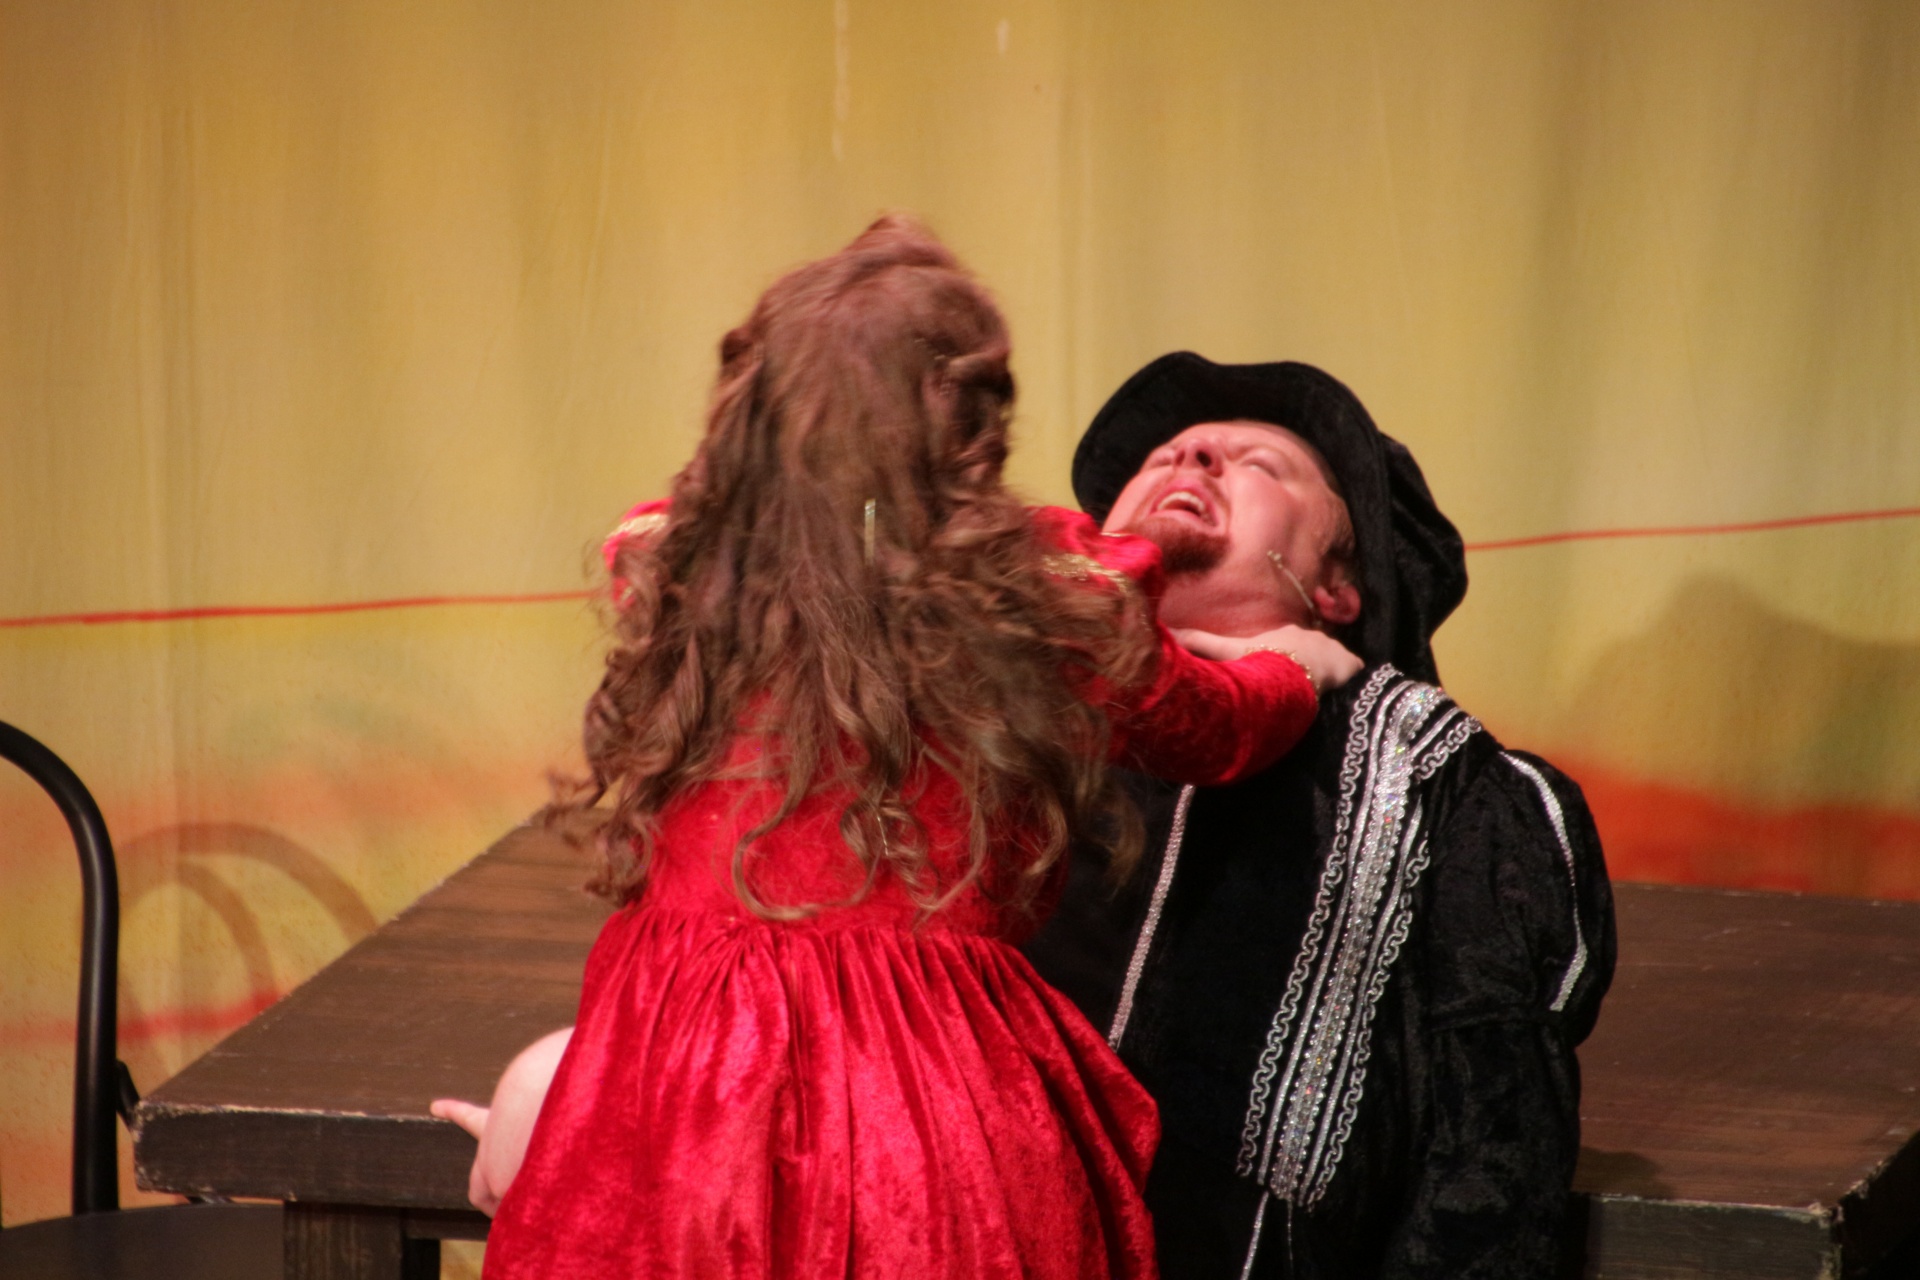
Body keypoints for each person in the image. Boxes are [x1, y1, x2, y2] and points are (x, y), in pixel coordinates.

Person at [438, 223, 1363, 1279]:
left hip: (687, 1084)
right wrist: (1291, 670)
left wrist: (577, 1115)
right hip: (922, 1105)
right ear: (969, 422)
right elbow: (1216, 727)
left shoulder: (680, 563)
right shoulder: (1039, 594)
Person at [1021, 353, 1615, 1279]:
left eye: (1259, 464)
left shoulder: (1444, 781)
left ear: (1336, 587)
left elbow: (1490, 1142)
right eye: (1165, 456)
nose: (1192, 456)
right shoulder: (990, 725)